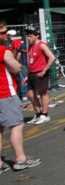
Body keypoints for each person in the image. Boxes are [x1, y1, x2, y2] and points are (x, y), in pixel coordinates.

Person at [0, 23, 41, 172]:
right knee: (16, 125)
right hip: (5, 92)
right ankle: (21, 159)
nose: (6, 35)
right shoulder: (4, 51)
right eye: (3, 33)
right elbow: (16, 68)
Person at [24, 26, 56, 125]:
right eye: (28, 36)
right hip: (32, 73)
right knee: (30, 94)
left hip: (40, 72)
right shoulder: (30, 46)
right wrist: (27, 75)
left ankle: (45, 114)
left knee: (43, 93)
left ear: (36, 36)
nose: (28, 38)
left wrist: (44, 70)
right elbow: (30, 62)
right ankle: (38, 114)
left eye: (30, 36)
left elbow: (52, 57)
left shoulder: (42, 45)